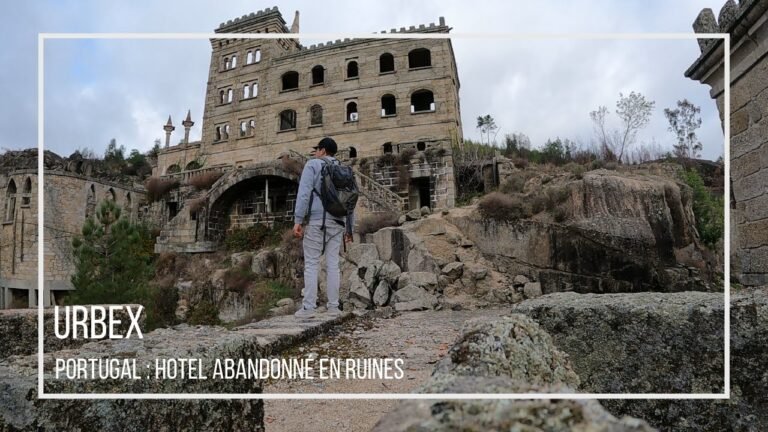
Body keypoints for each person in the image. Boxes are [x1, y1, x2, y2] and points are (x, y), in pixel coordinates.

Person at [293, 137, 354, 318]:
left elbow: (304, 194)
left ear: (323, 150)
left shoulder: (313, 165)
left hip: (317, 222)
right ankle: (334, 307)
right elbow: (351, 200)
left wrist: (298, 220)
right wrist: (349, 228)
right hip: (338, 223)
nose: (315, 152)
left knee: (311, 264)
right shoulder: (345, 170)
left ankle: (309, 308)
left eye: (317, 149)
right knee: (333, 265)